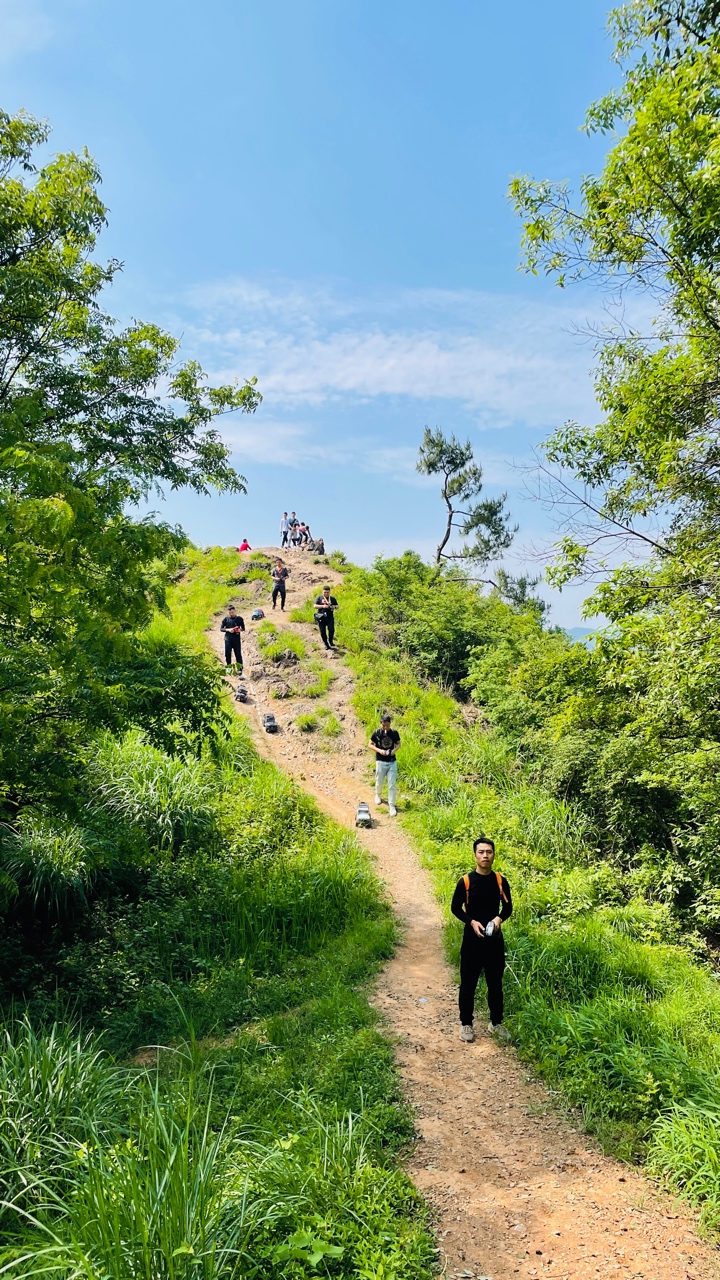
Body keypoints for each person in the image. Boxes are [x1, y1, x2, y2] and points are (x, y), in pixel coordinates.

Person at [451, 837, 512, 1043]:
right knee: (468, 984)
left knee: (495, 984)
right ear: (475, 855)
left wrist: (498, 919)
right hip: (472, 942)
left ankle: (496, 1023)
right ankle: (466, 1024)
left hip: (494, 941)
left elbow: (508, 907)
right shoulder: (466, 882)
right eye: (481, 852)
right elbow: (455, 908)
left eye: (489, 852)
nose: (485, 856)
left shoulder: (500, 881)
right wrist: (471, 922)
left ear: (494, 855)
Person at [369, 713, 400, 816]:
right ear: (380, 724)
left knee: (392, 784)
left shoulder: (394, 733)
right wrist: (379, 750)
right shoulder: (377, 733)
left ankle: (392, 805)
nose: (385, 727)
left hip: (392, 761)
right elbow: (370, 744)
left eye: (387, 725)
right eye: (383, 725)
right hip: (380, 761)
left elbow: (399, 744)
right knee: (379, 781)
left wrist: (394, 750)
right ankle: (377, 795)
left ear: (390, 724)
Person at [220, 605, 245, 671]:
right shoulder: (226, 619)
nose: (231, 614)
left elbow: (243, 628)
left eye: (232, 612)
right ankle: (229, 667)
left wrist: (239, 630)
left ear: (235, 611)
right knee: (227, 654)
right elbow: (221, 629)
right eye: (230, 613)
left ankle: (240, 670)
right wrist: (228, 630)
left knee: (238, 654)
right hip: (228, 638)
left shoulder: (240, 619)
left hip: (236, 638)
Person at [314, 584, 338, 650]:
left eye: (327, 592)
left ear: (329, 592)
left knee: (331, 629)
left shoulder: (332, 598)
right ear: (322, 592)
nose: (326, 593)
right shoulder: (319, 598)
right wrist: (322, 606)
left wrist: (334, 607)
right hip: (321, 616)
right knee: (322, 631)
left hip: (330, 617)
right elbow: (315, 606)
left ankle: (330, 641)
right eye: (325, 592)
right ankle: (326, 644)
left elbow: (337, 606)